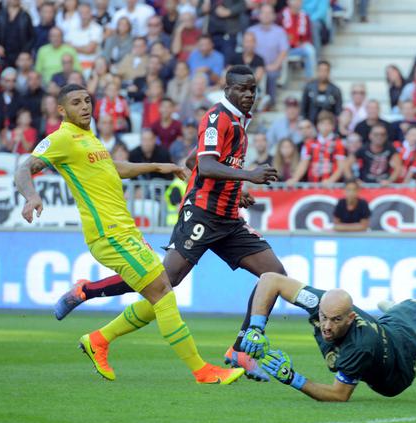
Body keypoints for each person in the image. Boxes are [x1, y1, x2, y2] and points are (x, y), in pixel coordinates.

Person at [54, 67, 286, 382]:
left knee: (274, 275)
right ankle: (90, 299)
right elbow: (204, 166)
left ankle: (240, 349)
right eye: (243, 89)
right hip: (202, 217)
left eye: (253, 89)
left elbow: (193, 162)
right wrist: (249, 175)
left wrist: (235, 190)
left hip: (228, 219)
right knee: (162, 283)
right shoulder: (218, 118)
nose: (249, 95)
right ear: (226, 88)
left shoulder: (240, 122)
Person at [14, 84, 243, 385]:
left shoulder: (88, 139)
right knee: (162, 292)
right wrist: (31, 196)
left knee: (156, 296)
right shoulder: (61, 139)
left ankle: (99, 339)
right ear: (61, 110)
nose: (85, 106)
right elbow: (24, 168)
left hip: (126, 231)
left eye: (87, 100)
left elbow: (113, 167)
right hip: (108, 235)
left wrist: (159, 166)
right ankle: (202, 370)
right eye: (76, 102)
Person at [237, 257, 416, 401]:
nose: (327, 326)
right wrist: (256, 328)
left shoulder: (360, 345)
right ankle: (396, 312)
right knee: (410, 308)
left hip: (397, 370)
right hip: (383, 332)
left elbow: (338, 395)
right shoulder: (323, 305)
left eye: (335, 320)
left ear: (351, 318)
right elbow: (271, 279)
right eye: (324, 317)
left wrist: (292, 378)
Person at [288, 110, 347, 184]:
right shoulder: (309, 143)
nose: (325, 127)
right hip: (313, 185)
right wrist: (295, 178)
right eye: (322, 124)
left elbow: (341, 167)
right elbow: (303, 164)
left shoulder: (338, 143)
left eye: (328, 124)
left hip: (332, 187)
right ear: (317, 125)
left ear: (333, 126)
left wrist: (331, 180)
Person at [247, 4, 289, 107]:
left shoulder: (280, 32)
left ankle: (270, 104)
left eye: (269, 13)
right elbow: (246, 49)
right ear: (259, 15)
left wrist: (275, 65)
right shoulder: (251, 31)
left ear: (274, 16)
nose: (266, 15)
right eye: (263, 13)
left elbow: (284, 51)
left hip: (272, 67)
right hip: (254, 67)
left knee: (271, 76)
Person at [279, 0, 316, 80]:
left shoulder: (305, 16)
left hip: (300, 46)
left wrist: (302, 42)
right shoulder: (281, 15)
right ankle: (281, 80)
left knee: (310, 50)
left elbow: (309, 36)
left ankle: (310, 79)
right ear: (288, 2)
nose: (296, 2)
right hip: (285, 48)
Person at [0, 0, 34, 68]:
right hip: (3, 55)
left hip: (21, 55)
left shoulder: (26, 16)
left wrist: (25, 51)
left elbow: (32, 37)